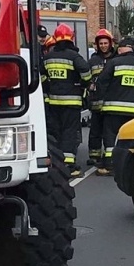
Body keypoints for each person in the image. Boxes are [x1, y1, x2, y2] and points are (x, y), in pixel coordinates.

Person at [93, 36, 134, 174]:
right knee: (130, 139)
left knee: (111, 137)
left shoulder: (114, 63)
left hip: (113, 109)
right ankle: (129, 165)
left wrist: (99, 104)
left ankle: (110, 165)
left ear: (122, 49)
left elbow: (101, 83)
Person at [39, 23, 89, 177]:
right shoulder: (74, 56)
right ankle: (69, 165)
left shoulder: (48, 57)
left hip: (54, 102)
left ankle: (58, 163)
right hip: (72, 102)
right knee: (69, 132)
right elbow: (86, 73)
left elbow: (42, 78)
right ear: (71, 39)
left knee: (57, 132)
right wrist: (82, 84)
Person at [85, 29, 116, 168]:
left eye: (105, 43)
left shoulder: (115, 60)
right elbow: (86, 77)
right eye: (101, 43)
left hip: (110, 103)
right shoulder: (93, 61)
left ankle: (109, 156)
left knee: (108, 131)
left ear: (110, 43)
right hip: (96, 102)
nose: (103, 45)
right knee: (95, 131)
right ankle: (94, 156)